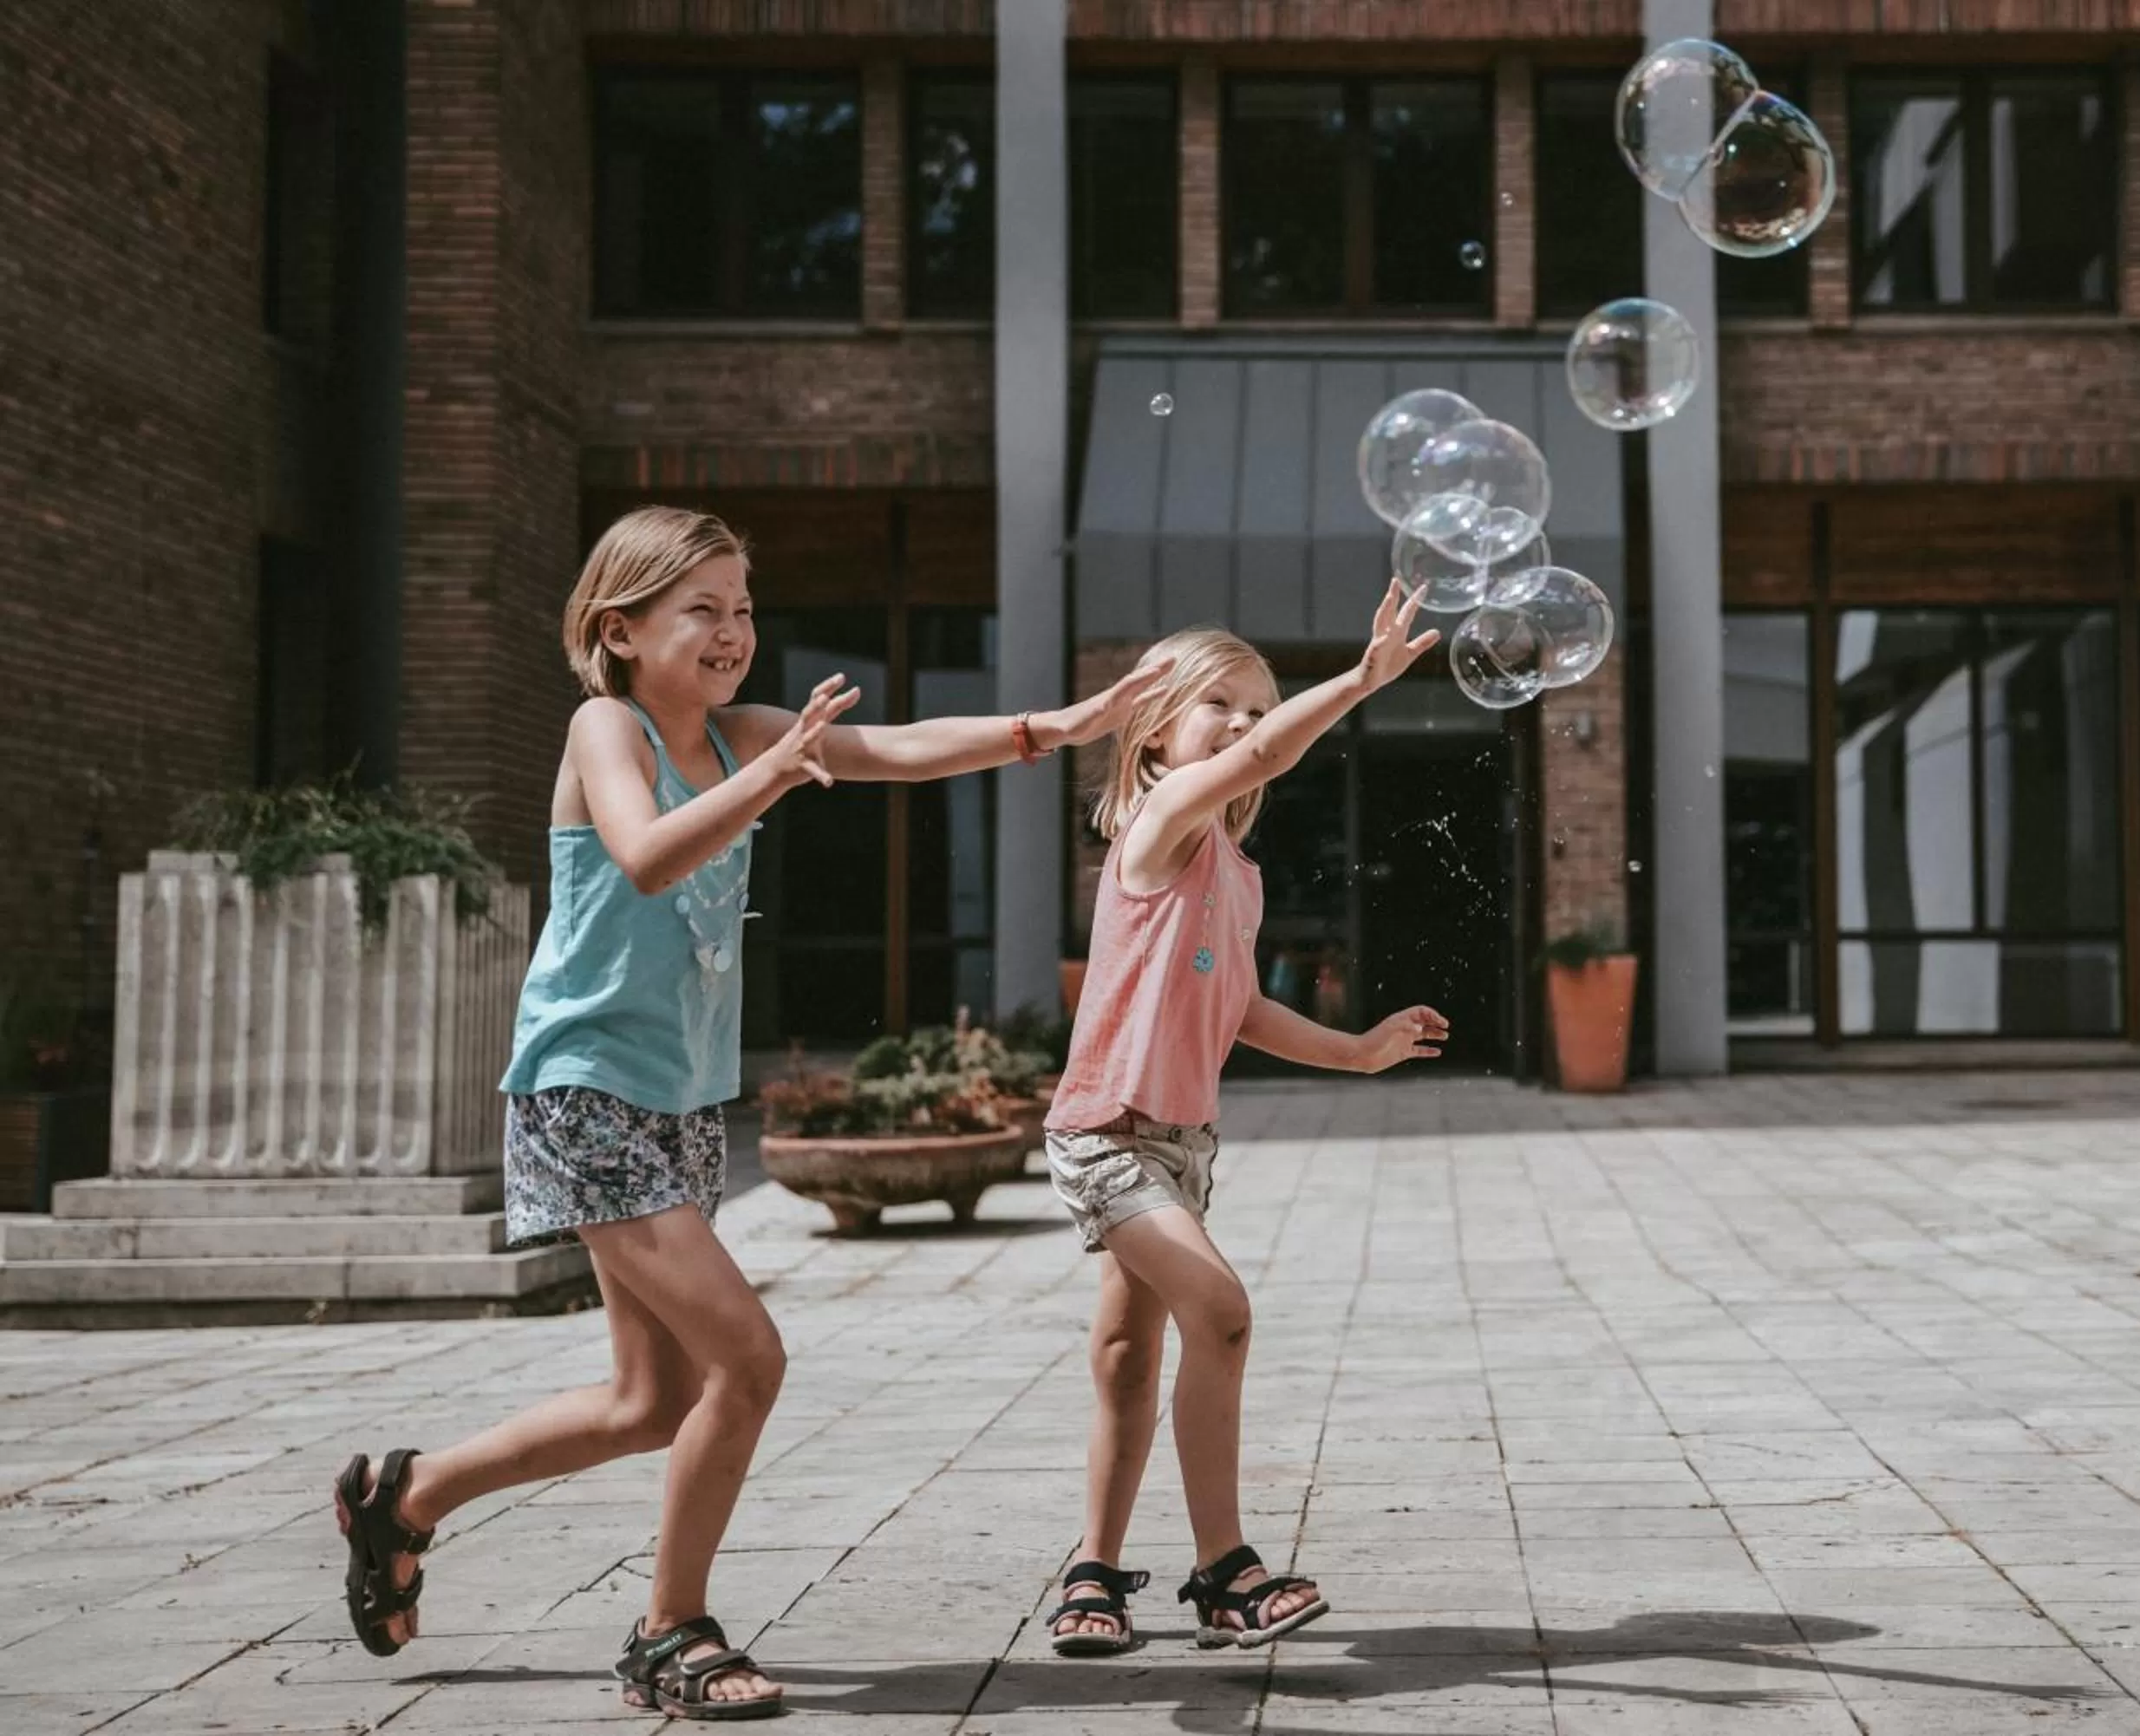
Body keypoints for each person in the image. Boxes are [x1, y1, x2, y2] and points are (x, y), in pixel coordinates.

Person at [332, 505, 1166, 1720]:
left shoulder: (743, 736)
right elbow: (646, 854)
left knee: (651, 1401)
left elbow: (903, 746)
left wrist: (1057, 725)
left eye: (745, 606)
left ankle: (405, 1496)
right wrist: (780, 770)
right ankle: (671, 1629)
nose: (734, 631)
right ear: (618, 629)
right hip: (586, 1091)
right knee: (750, 1359)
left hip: (673, 1102)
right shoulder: (605, 725)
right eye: (703, 609)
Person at [1041, 584, 1450, 1656]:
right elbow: (1264, 760)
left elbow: (1245, 1011)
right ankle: (1224, 1571)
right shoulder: (1158, 826)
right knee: (1220, 1311)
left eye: (1253, 703)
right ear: (1155, 737)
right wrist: (1360, 682)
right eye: (1219, 702)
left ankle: (1092, 1574)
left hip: (1180, 1144)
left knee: (1129, 1353)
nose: (1240, 722)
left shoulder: (1238, 873)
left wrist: (1357, 1049)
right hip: (1107, 1135)